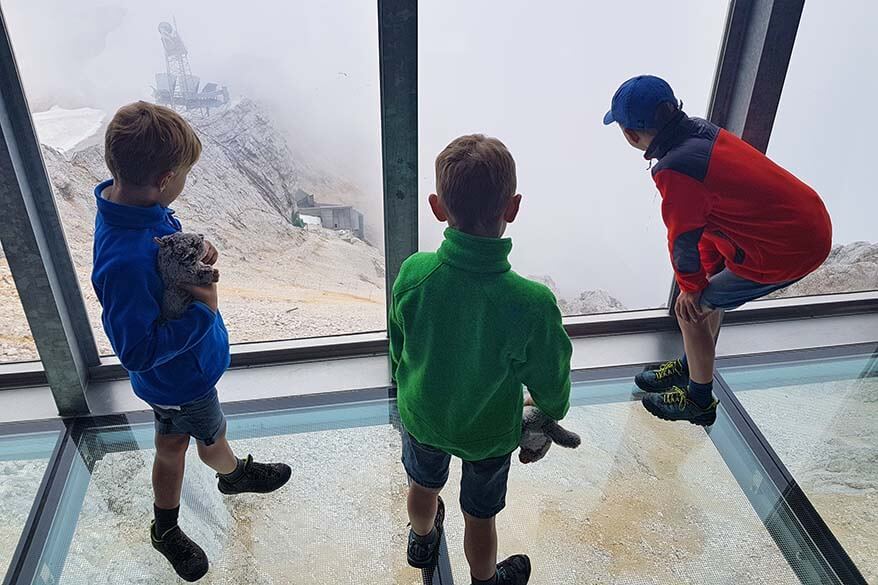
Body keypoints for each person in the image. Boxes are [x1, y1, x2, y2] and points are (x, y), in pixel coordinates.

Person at [91, 101, 292, 582]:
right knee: (201, 440)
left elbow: (158, 268)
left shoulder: (133, 210)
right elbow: (136, 350)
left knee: (172, 442)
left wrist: (192, 254)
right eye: (183, 175)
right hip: (182, 380)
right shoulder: (124, 258)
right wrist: (204, 312)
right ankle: (231, 477)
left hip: (176, 379)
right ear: (164, 178)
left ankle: (170, 522)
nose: (183, 184)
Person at [390, 134, 573, 585]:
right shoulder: (530, 303)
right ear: (512, 207)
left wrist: (408, 384)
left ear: (437, 206)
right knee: (480, 516)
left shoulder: (415, 274)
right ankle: (485, 579)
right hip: (490, 433)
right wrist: (547, 411)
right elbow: (552, 380)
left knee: (422, 487)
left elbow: (400, 345)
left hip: (424, 416)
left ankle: (422, 538)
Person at [604, 75, 832, 426]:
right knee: (703, 294)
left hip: (789, 248)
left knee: (690, 310)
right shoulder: (699, 131)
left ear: (631, 135)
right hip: (806, 220)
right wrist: (704, 276)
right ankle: (692, 364)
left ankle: (698, 400)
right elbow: (708, 222)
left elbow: (681, 238)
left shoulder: (674, 169)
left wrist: (693, 289)